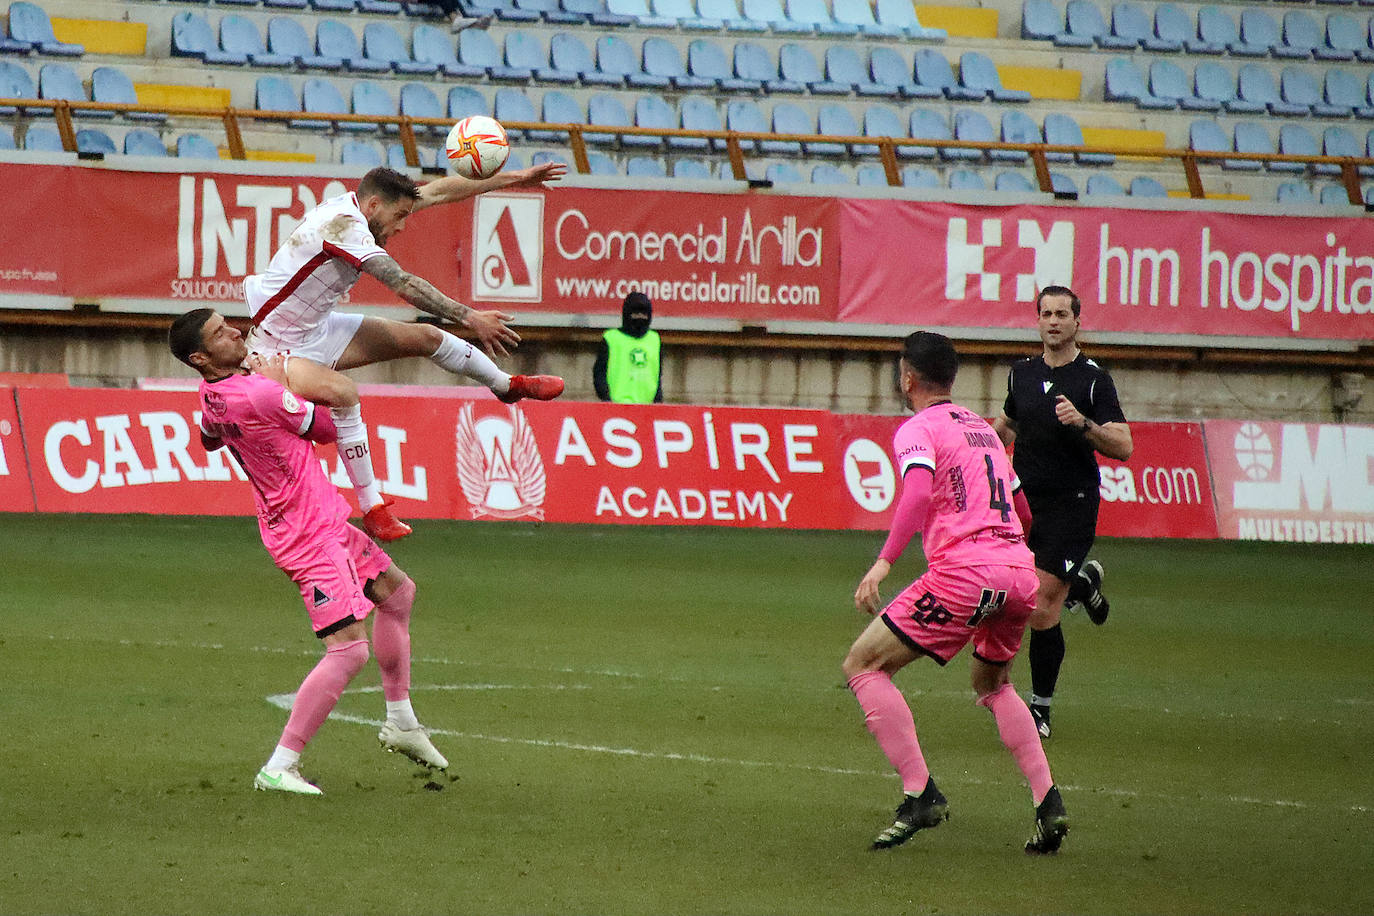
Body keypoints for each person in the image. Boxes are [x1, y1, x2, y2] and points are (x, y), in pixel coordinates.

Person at [169, 307, 449, 795]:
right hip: (306, 536)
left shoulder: (213, 392)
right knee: (347, 651)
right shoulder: (258, 392)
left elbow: (209, 438)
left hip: (321, 520)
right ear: (200, 356)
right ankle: (280, 764)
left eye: (227, 324)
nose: (235, 331)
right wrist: (285, 383)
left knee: (398, 595)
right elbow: (327, 427)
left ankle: (401, 721)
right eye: (220, 333)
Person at [243, 164, 568, 543]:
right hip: (275, 347)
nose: (401, 227)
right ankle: (373, 508)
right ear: (374, 205)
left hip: (314, 328)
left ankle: (506, 386)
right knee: (344, 393)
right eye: (398, 217)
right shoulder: (343, 227)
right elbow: (402, 282)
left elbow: (441, 192)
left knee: (426, 337)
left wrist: (516, 178)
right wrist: (469, 317)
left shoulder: (360, 211)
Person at [843, 330, 1069, 855]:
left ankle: (920, 793)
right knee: (993, 682)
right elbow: (1024, 512)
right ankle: (1048, 801)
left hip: (964, 573)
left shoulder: (918, 428)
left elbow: (918, 490)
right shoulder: (983, 431)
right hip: (1018, 572)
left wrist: (883, 563)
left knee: (864, 666)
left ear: (907, 378)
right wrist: (1007, 557)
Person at [991, 285, 1133, 740]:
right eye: (1046, 314)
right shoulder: (1021, 374)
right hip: (1023, 505)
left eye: (1062, 314)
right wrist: (976, 447)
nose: (1053, 321)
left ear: (1077, 322)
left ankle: (1040, 709)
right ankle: (1084, 584)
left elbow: (1124, 446)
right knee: (1019, 597)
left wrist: (1084, 424)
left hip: (1072, 505)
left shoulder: (1093, 379)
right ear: (1037, 321)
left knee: (1040, 603)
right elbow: (1009, 425)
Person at [592, 291, 663, 404]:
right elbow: (599, 374)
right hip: (616, 407)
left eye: (643, 315)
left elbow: (657, 376)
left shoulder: (654, 340)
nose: (640, 318)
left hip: (647, 409)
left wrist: (658, 403)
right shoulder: (611, 338)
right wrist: (606, 399)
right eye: (636, 315)